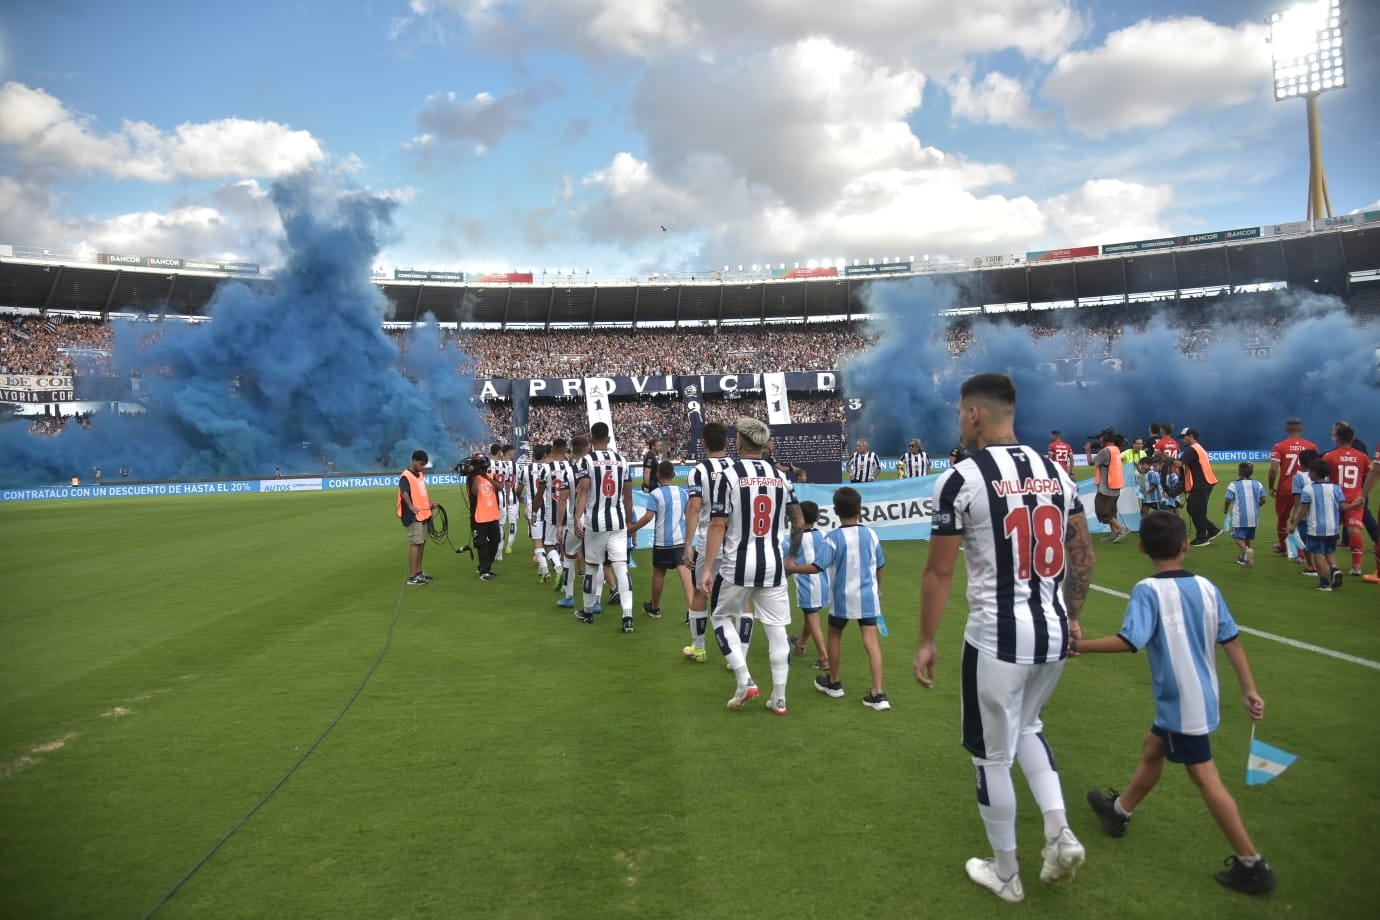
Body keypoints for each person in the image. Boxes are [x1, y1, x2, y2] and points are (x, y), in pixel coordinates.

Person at [915, 373, 1095, 903]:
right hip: (1054, 631)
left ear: (973, 414)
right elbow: (1082, 553)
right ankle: (1059, 833)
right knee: (1030, 727)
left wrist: (926, 639)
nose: (958, 421)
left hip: (997, 638)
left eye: (959, 412)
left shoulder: (960, 478)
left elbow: (939, 573)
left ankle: (1007, 873)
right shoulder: (1058, 474)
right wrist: (1075, 615)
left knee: (991, 757)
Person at [1077, 511, 1276, 896]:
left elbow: (1130, 640)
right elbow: (1230, 638)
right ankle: (1119, 814)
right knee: (1153, 748)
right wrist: (1249, 688)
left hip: (1184, 704)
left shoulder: (1147, 590)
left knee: (1205, 777)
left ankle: (1253, 864)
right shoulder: (1206, 586)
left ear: (1140, 547)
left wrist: (1079, 646)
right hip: (1199, 696)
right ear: (1185, 545)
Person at [700, 417, 805, 714]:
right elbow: (798, 521)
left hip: (738, 564)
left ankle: (745, 680)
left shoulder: (729, 476)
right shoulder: (781, 477)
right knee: (777, 631)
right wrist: (792, 556)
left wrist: (708, 568)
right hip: (773, 564)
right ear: (764, 444)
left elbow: (718, 524)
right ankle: (780, 698)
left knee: (720, 618)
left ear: (739, 441)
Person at [786, 487, 890, 711]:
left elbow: (816, 567)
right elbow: (880, 565)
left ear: (834, 511)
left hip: (842, 597)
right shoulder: (871, 535)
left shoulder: (833, 538)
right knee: (871, 642)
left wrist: (794, 568)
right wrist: (878, 589)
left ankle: (834, 682)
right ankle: (878, 693)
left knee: (835, 635)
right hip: (868, 597)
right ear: (860, 509)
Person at [573, 422, 636, 632]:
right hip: (617, 520)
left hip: (595, 522)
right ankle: (628, 616)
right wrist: (629, 521)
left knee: (592, 566)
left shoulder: (586, 461)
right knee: (621, 566)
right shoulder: (622, 460)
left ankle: (588, 611)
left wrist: (576, 518)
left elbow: (583, 492)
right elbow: (628, 495)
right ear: (609, 439)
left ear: (591, 439)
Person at [682, 422, 735, 663]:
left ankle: (699, 647)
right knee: (739, 595)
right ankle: (738, 654)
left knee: (700, 591)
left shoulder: (698, 470)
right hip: (735, 540)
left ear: (703, 443)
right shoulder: (738, 467)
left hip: (707, 538)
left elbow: (694, 508)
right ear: (727, 442)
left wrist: (687, 544)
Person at [628, 461, 693, 622]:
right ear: (674, 474)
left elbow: (648, 517)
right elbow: (690, 515)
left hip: (662, 542)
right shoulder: (683, 493)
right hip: (680, 540)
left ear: (658, 475)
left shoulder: (656, 494)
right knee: (686, 576)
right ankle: (692, 612)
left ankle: (655, 608)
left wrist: (631, 529)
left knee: (658, 574)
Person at [1290, 458, 1359, 592]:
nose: (1308, 474)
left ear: (1314, 473)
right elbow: (1343, 507)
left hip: (1316, 528)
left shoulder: (1308, 490)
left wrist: (1294, 524)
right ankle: (1334, 569)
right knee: (1330, 551)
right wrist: (1355, 504)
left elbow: (1303, 510)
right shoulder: (1336, 488)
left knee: (1319, 553)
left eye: (1310, 471)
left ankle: (1324, 583)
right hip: (1333, 527)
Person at [785, 500, 830, 672]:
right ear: (818, 517)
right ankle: (801, 643)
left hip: (807, 584)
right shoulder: (824, 535)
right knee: (810, 614)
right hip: (824, 583)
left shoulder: (793, 540)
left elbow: (785, 560)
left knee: (811, 616)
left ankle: (825, 658)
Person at [1323, 423, 1373, 577]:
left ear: (1337, 438)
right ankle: (1357, 567)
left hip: (1334, 498)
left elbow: (1324, 477)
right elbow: (1369, 475)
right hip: (1355, 499)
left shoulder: (1329, 456)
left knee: (1330, 532)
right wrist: (1363, 495)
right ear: (1352, 439)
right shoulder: (1362, 457)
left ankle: (1329, 564)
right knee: (1354, 531)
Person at [1267, 418, 1316, 555]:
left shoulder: (1279, 446)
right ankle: (1302, 552)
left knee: (1282, 518)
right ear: (1301, 429)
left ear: (1286, 429)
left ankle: (1284, 547)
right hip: (1307, 487)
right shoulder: (1311, 446)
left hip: (1286, 488)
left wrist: (1271, 486)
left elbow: (1273, 470)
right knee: (1303, 518)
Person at [1084, 431, 1130, 544]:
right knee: (1111, 511)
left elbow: (1090, 462)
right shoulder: (1115, 449)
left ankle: (1121, 529)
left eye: (1101, 439)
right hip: (1116, 485)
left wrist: (1088, 451)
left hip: (1106, 487)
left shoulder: (1105, 451)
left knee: (1102, 510)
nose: (1099, 441)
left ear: (1105, 439)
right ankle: (1114, 533)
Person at [398, 450, 435, 586]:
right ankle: (413, 576)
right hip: (413, 515)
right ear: (414, 461)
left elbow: (422, 493)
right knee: (415, 543)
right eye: (421, 464)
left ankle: (419, 572)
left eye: (424, 464)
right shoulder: (406, 476)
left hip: (423, 513)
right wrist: (411, 506)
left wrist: (429, 504)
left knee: (422, 542)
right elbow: (404, 493)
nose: (422, 467)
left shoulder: (420, 475)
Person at [1178, 428, 1220, 547]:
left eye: (1184, 437)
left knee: (1196, 510)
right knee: (1193, 508)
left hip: (1201, 484)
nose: (1183, 440)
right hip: (1206, 482)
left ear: (1190, 436)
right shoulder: (1198, 447)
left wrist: (1166, 460)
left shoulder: (1191, 450)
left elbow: (1180, 463)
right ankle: (1212, 530)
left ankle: (1202, 537)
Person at [1223, 462, 1267, 567]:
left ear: (1239, 471)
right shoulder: (1258, 484)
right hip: (1254, 516)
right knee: (1247, 537)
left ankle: (1246, 551)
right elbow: (1264, 499)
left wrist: (1225, 509)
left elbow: (1228, 498)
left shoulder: (1234, 484)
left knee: (1237, 537)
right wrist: (1256, 506)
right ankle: (1245, 558)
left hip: (1240, 516)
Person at [467, 454, 503, 580]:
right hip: (479, 516)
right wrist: (477, 476)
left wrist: (486, 477)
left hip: (492, 515)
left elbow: (500, 487)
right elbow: (475, 492)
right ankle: (484, 571)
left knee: (496, 541)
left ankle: (485, 566)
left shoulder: (491, 476)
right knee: (482, 545)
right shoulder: (471, 478)